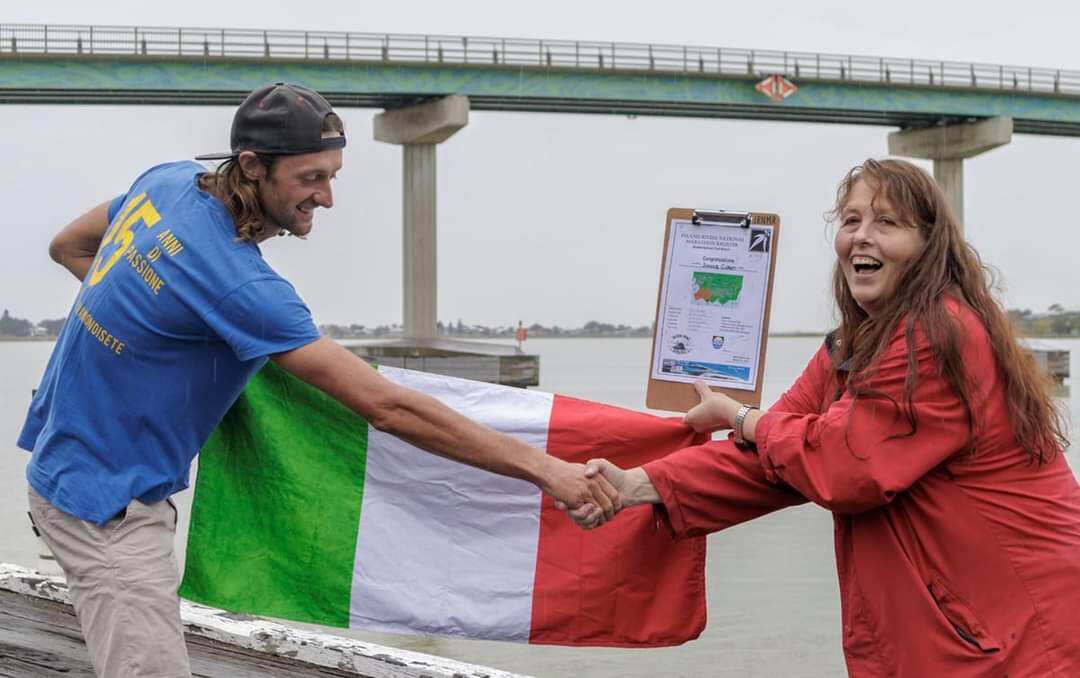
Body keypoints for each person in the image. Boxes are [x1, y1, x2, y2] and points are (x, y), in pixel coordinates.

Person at [19, 82, 618, 678]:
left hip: (55, 468)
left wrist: (156, 323)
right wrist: (548, 471)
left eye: (333, 176)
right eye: (310, 178)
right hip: (106, 512)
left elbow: (68, 246)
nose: (327, 198)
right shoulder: (243, 288)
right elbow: (388, 408)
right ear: (252, 166)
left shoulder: (166, 183)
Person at [565, 159, 1080, 676]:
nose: (862, 237)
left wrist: (743, 417)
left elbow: (843, 465)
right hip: (953, 631)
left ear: (929, 246)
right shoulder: (853, 347)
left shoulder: (940, 334)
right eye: (851, 220)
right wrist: (636, 485)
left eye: (887, 223)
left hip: (1019, 632)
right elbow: (771, 457)